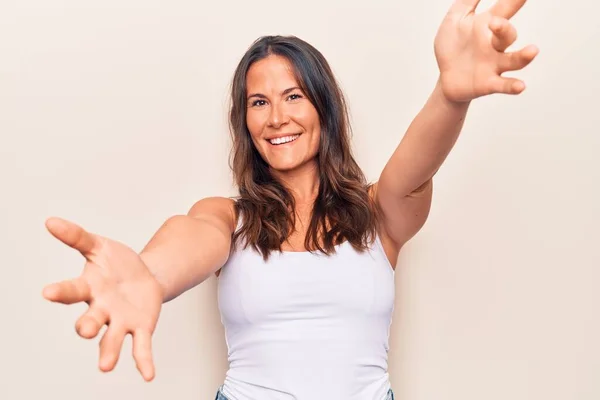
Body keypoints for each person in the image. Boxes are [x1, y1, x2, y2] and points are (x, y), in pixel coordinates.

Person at [41, 0, 538, 399]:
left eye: (294, 96)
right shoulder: (228, 217)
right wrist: (149, 274)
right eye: (259, 102)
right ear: (245, 121)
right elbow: (192, 236)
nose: (276, 117)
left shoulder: (377, 214)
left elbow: (412, 171)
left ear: (324, 107)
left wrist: (450, 97)